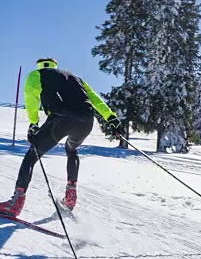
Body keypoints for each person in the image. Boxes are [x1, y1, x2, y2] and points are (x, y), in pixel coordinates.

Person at [0, 58, 123, 217]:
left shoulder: (37, 74)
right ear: (55, 65)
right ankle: (70, 195)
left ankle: (15, 204)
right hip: (85, 121)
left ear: (40, 64)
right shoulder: (75, 77)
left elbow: (31, 95)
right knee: (72, 150)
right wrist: (111, 118)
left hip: (60, 119)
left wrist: (34, 123)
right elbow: (94, 99)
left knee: (31, 156)